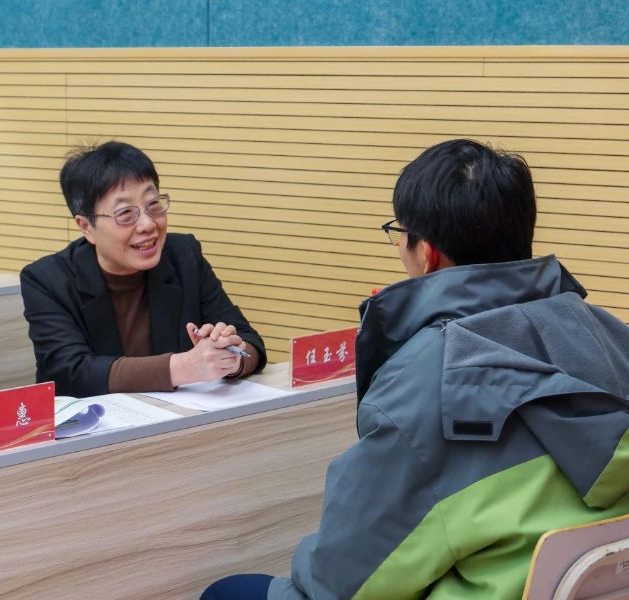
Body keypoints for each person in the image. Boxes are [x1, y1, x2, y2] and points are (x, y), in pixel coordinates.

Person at [201, 139, 629, 599]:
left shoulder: (427, 378)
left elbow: (342, 582)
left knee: (228, 592)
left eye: (400, 233)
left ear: (427, 254)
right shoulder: (609, 335)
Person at [21, 141, 266, 397]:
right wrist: (185, 367)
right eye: (126, 213)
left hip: (179, 416)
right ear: (86, 227)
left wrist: (229, 359)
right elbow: (70, 372)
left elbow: (250, 341)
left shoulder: (184, 257)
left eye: (153, 205)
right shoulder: (46, 280)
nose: (148, 224)